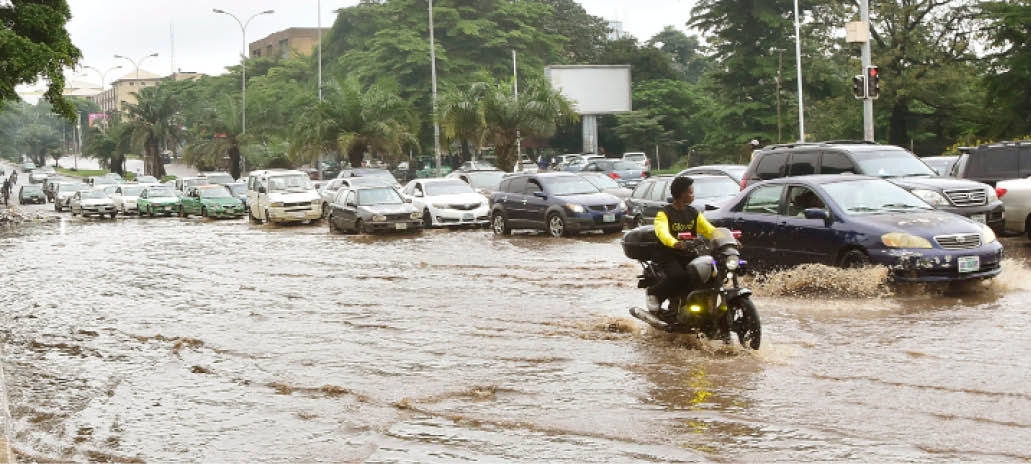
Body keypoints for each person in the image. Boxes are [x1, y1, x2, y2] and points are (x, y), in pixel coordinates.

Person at [646, 176, 717, 313]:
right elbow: (662, 232)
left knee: (707, 272)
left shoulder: (693, 212)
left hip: (688, 252)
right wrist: (674, 243)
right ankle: (654, 293)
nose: (693, 195)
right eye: (690, 192)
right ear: (681, 194)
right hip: (667, 254)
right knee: (680, 276)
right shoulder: (664, 213)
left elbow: (709, 230)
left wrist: (728, 238)